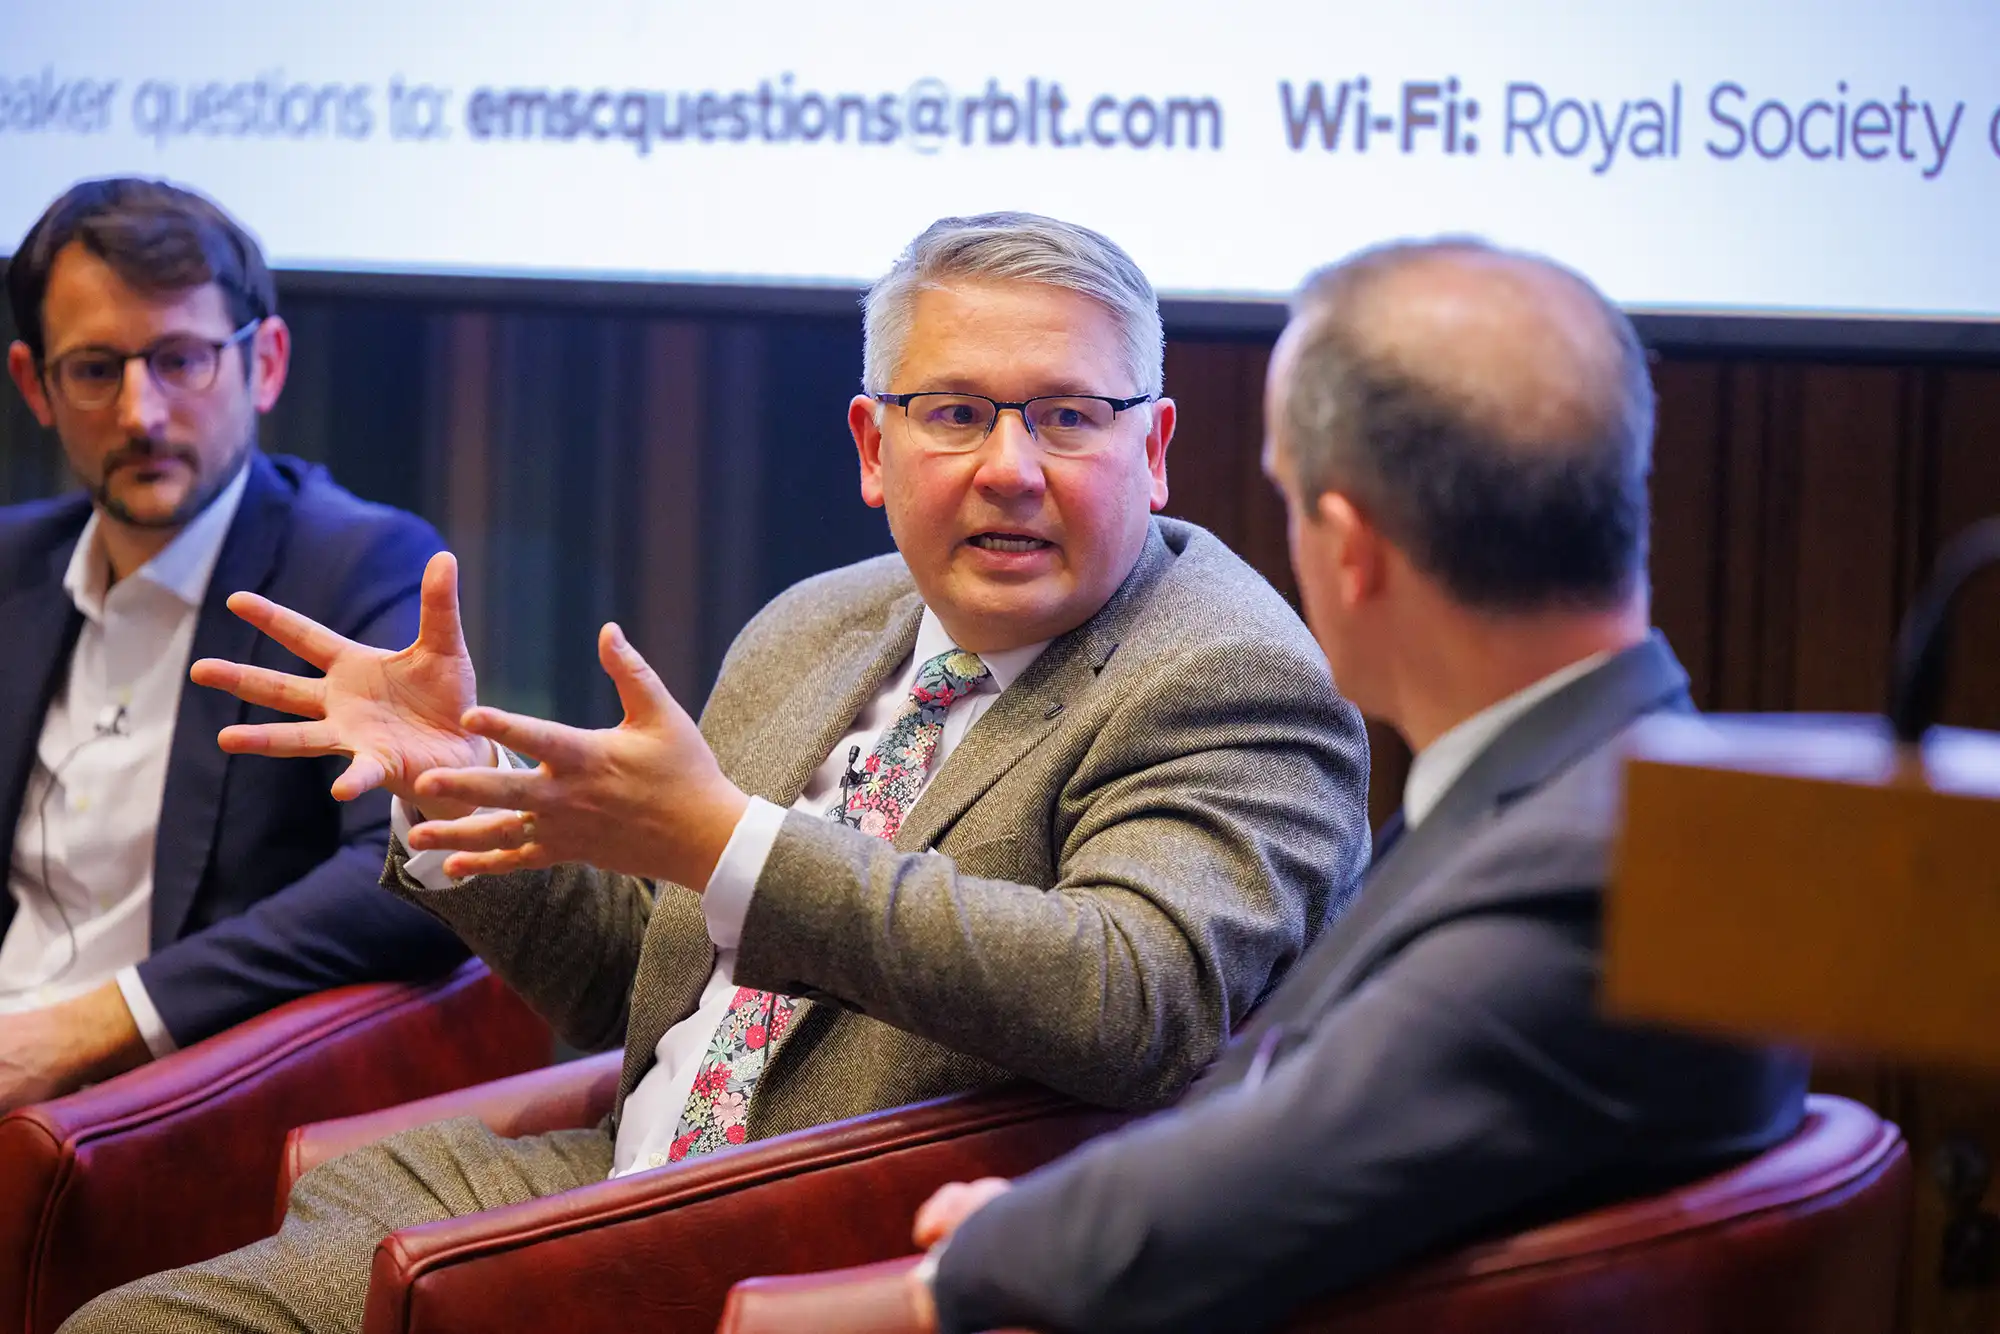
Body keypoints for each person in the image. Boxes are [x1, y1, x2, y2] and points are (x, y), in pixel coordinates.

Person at [61, 211, 1371, 1332]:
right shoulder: (818, 624)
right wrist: (458, 782)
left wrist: (729, 840)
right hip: (603, 1174)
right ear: (872, 446)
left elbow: (1135, 999)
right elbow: (626, 982)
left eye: (1068, 416)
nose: (1009, 468)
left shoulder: (1224, 674)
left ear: (1154, 447)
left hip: (816, 1245)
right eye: (956, 413)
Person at [903, 239, 1813, 1334]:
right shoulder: (1574, 800)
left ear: (1348, 549)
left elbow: (1254, 1181)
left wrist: (975, 1260)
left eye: (1288, 502)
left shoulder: (1599, 881)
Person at [0, 178, 466, 1111]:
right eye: (95, 369)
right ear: (35, 385)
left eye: (183, 360)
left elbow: (402, 878)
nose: (142, 413)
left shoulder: (352, 565)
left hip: (152, 1109)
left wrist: (93, 1026)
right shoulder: (13, 567)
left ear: (266, 363)